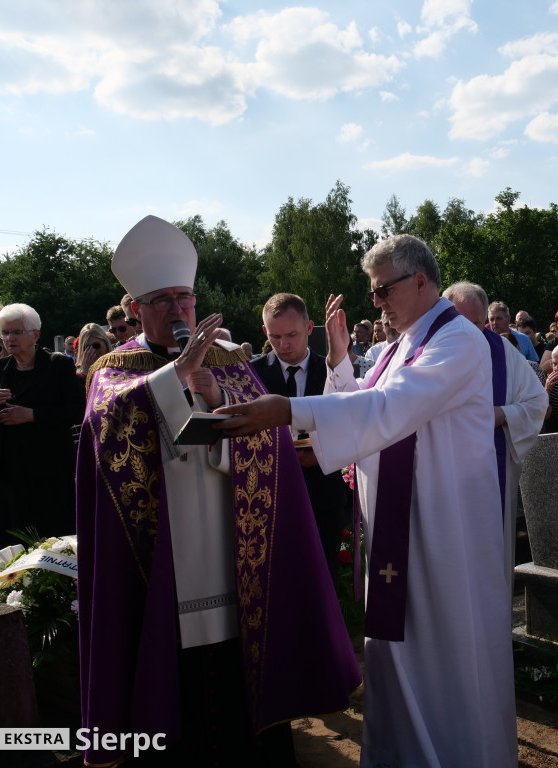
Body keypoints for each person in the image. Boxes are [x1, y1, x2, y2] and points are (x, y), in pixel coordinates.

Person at [213, 234, 517, 767]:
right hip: (399, 528)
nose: (376, 304)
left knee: (445, 655)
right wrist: (336, 358)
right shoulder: (403, 342)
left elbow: (392, 408)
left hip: (445, 531)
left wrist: (288, 409)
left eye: (383, 291)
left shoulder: (457, 340)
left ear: (421, 280)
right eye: (373, 292)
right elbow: (359, 402)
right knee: (396, 657)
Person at [76, 215, 360, 767]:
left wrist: (212, 394)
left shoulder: (230, 360)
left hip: (237, 557)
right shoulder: (113, 371)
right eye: (160, 300)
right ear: (135, 309)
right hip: (164, 558)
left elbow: (274, 448)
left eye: (184, 297)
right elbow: (107, 433)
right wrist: (175, 375)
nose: (177, 309)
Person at [444, 281, 548, 591]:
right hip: (441, 477)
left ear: (487, 322)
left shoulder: (501, 351)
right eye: (459, 323)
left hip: (490, 470)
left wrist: (501, 414)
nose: (469, 332)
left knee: (486, 566)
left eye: (476, 324)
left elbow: (536, 402)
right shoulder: (425, 351)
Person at [252, 292, 348, 588]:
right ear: (265, 332)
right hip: (270, 494)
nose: (284, 345)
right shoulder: (252, 374)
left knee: (324, 577)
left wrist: (322, 452)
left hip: (324, 490)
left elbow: (350, 424)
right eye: (276, 336)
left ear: (309, 328)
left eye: (292, 334)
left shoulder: (335, 370)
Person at [0, 303, 83, 553]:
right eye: (4, 333)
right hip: (8, 478)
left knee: (53, 544)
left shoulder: (57, 366)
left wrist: (32, 415)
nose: (9, 339)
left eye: (17, 332)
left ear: (35, 334)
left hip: (49, 474)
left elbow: (77, 410)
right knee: (12, 548)